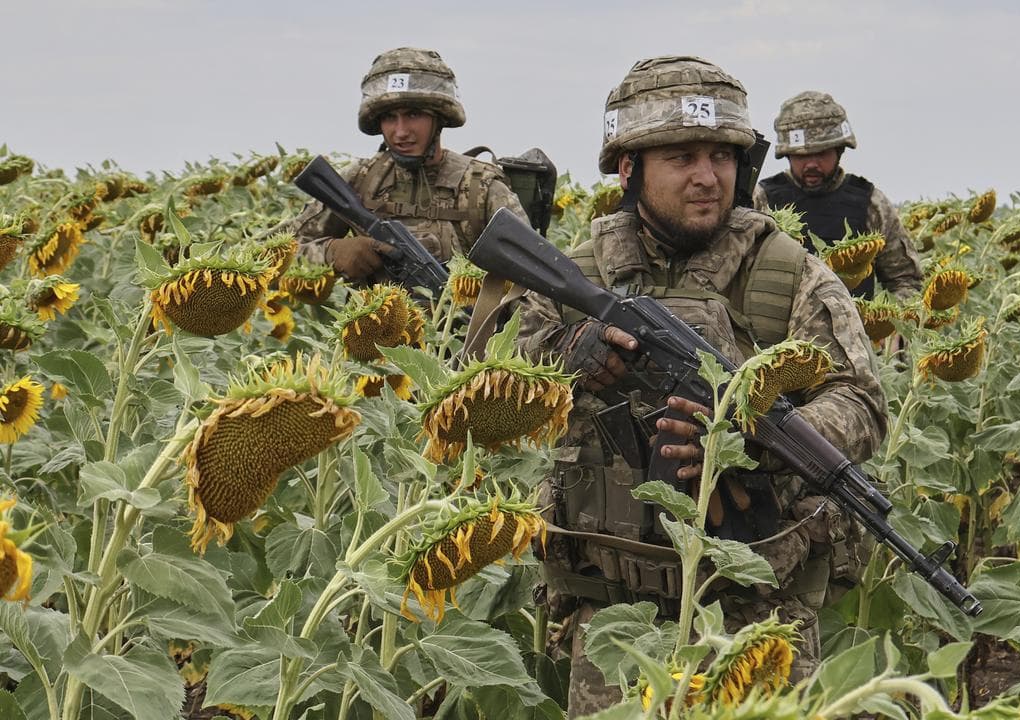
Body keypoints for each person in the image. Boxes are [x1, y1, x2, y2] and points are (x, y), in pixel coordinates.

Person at [511, 56, 888, 717]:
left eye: (721, 156)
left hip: (753, 614)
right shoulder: (578, 273)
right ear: (628, 168)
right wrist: (572, 354)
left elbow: (861, 402)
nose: (708, 177)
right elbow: (507, 399)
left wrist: (762, 434)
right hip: (611, 613)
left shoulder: (786, 274)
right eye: (682, 157)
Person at [288, 47, 528, 283]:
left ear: (439, 118)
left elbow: (532, 284)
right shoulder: (359, 180)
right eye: (390, 118)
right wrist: (331, 253)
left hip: (468, 323)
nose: (401, 132)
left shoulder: (482, 187)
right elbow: (272, 257)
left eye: (413, 115)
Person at [754, 91, 922, 300]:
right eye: (802, 156)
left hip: (854, 330)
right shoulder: (762, 200)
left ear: (839, 151)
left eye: (822, 154)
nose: (812, 164)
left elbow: (905, 279)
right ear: (787, 154)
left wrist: (895, 327)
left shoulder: (871, 203)